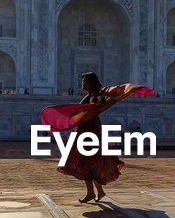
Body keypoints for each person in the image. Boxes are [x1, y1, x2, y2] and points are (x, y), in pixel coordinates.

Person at [41, 73, 154, 203]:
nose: (82, 84)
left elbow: (102, 100)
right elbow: (78, 111)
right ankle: (97, 192)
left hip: (90, 132)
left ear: (92, 83)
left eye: (85, 82)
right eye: (82, 82)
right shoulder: (89, 96)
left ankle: (93, 192)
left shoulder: (96, 96)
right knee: (87, 163)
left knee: (87, 163)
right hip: (85, 131)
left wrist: (113, 92)